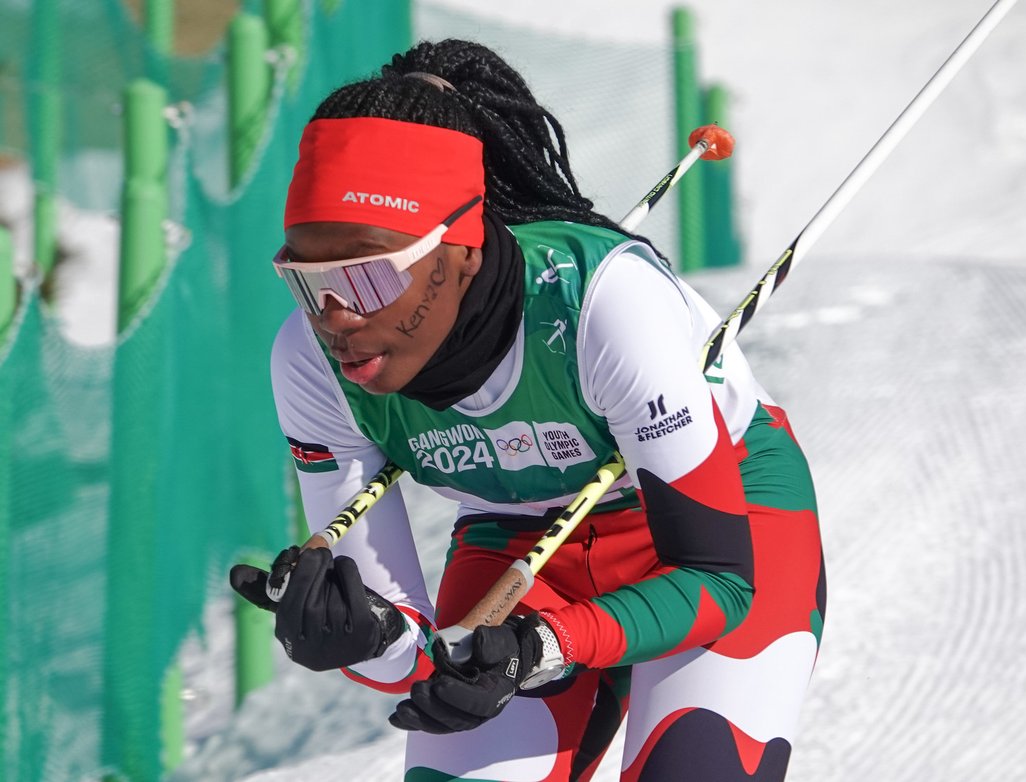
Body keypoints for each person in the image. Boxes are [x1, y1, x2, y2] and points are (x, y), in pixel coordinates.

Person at [230, 38, 825, 782]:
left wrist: (545, 645)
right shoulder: (310, 364)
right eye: (306, 280)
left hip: (719, 522)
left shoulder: (606, 306)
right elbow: (410, 658)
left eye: (370, 277)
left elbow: (719, 581)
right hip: (522, 538)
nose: (335, 318)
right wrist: (365, 638)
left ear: (464, 251)